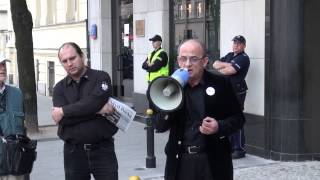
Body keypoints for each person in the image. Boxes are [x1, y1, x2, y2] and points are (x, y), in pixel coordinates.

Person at [154, 39, 245, 180]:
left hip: (212, 162)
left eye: (194, 59)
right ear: (178, 61)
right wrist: (168, 101)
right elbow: (160, 126)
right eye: (183, 59)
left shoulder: (221, 83)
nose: (188, 64)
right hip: (181, 161)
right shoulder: (170, 86)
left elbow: (238, 119)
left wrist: (219, 127)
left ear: (204, 61)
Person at [52, 42, 118, 180]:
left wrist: (64, 110)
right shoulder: (59, 88)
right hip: (73, 153)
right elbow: (64, 120)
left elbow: (94, 102)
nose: (69, 63)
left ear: (82, 56)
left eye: (72, 58)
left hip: (102, 151)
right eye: (65, 61)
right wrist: (97, 110)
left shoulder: (101, 77)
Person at [212, 35, 250, 159]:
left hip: (237, 92)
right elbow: (215, 64)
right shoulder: (229, 55)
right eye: (234, 43)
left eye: (238, 43)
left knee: (236, 119)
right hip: (227, 91)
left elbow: (231, 71)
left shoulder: (244, 58)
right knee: (227, 118)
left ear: (244, 45)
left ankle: (239, 149)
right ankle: (231, 146)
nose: (235, 45)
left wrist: (224, 67)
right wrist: (226, 64)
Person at [0, 56, 25, 180]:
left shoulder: (17, 93)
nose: (2, 68)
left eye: (4, 64)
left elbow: (23, 128)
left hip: (16, 165)